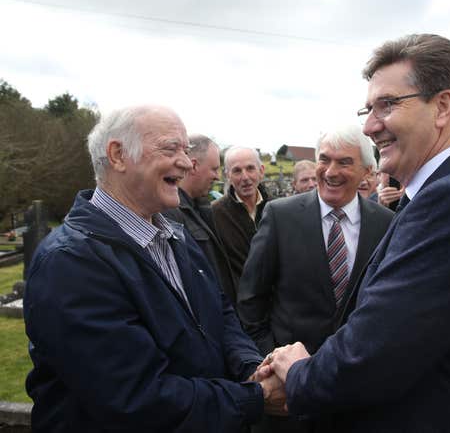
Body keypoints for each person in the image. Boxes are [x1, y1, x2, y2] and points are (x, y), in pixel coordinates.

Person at [261, 33, 450, 432]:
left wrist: (299, 372)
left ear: (442, 106)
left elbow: (373, 358)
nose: (369, 126)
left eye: (387, 105)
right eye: (367, 109)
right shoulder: (447, 193)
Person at [23, 106, 285, 432]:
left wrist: (251, 367)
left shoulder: (176, 235)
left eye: (187, 151)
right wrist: (255, 397)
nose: (187, 162)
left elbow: (220, 315)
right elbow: (135, 398)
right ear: (118, 155)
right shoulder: (70, 263)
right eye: (171, 148)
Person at [238, 125, 394, 432]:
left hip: (358, 393)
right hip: (287, 395)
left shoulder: (387, 224)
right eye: (325, 159)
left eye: (344, 162)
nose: (330, 171)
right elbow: (251, 300)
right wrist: (271, 362)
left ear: (367, 170)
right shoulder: (280, 215)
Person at [163, 134, 238, 304]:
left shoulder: (202, 209)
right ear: (194, 166)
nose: (218, 176)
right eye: (214, 169)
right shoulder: (171, 214)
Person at [212, 146, 270, 288]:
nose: (245, 177)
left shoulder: (278, 208)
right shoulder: (215, 214)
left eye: (250, 168)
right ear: (227, 176)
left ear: (261, 171)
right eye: (237, 171)